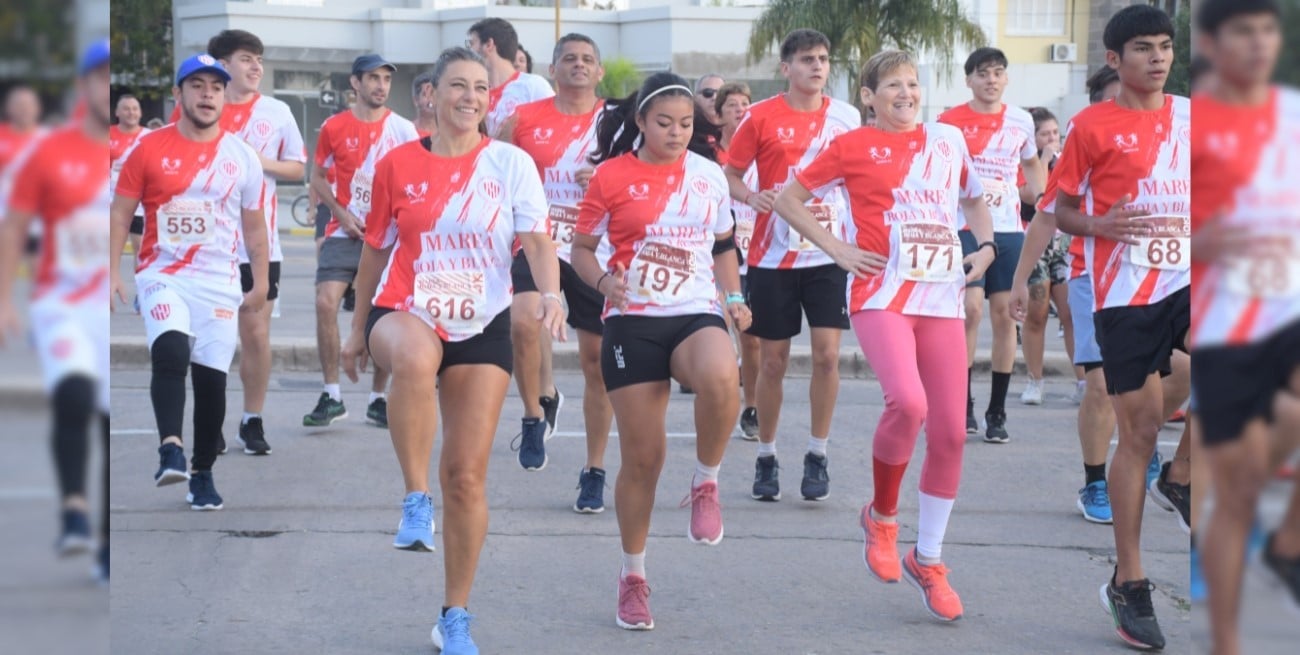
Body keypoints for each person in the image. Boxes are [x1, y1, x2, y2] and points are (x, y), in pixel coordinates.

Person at [339, 46, 563, 655]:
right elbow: (375, 251)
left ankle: (454, 616)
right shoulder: (396, 165)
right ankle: (415, 499)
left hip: (481, 321)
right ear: (431, 96)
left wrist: (552, 294)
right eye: (458, 86)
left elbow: (538, 243)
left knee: (466, 478)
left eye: (481, 88)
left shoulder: (512, 164)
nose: (470, 97)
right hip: (405, 306)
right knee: (412, 359)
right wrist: (357, 328)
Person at [776, 49, 996, 622]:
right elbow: (789, 200)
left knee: (950, 431)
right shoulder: (850, 146)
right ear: (868, 96)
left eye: (913, 83)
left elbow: (973, 197)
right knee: (909, 402)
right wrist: (839, 251)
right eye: (892, 85)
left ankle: (929, 559)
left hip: (942, 299)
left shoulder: (947, 140)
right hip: (881, 295)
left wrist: (988, 246)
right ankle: (882, 517)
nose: (906, 93)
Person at [571, 71, 748, 632]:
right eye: (665, 123)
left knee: (722, 375)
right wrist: (604, 284)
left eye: (687, 124)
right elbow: (581, 250)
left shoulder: (708, 176)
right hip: (632, 320)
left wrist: (735, 297)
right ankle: (633, 576)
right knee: (644, 460)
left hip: (695, 310)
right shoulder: (610, 177)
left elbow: (723, 246)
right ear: (641, 122)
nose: (676, 133)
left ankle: (706, 482)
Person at [1042, 5, 1189, 649]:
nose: (1156, 58)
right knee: (1141, 432)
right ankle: (1129, 583)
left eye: (1164, 47)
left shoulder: (1195, 116)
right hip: (1126, 296)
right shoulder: (1090, 126)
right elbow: (1063, 211)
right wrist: (1099, 226)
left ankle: (1181, 478)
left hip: (1191, 278)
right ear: (1113, 59)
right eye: (1142, 49)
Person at [108, 53, 269, 511]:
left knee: (212, 384)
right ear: (178, 94)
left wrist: (258, 284)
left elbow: (254, 227)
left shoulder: (241, 157)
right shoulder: (148, 148)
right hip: (164, 274)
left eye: (215, 87)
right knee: (172, 350)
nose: (207, 95)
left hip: (219, 282)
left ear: (224, 96)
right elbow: (121, 213)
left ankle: (202, 473)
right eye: (196, 86)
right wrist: (110, 271)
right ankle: (170, 447)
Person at [1190, 1, 1300, 652]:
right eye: (1243, 32)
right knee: (1236, 494)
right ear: (1212, 41)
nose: (1259, 43)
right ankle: (1226, 641)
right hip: (1224, 323)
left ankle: (1287, 540)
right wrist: (1208, 239)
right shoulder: (1197, 125)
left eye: (1267, 29)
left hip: (1289, 305)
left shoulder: (1293, 113)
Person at [724, 29, 858, 502]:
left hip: (828, 253)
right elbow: (731, 173)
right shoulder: (760, 116)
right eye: (806, 60)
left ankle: (817, 454)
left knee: (826, 356)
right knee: (773, 361)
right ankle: (766, 454)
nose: (817, 67)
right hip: (772, 257)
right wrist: (750, 195)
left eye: (822, 58)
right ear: (786, 68)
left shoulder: (846, 117)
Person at [0, 39, 113, 582]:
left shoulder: (128, 150)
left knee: (109, 420)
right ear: (83, 86)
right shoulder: (47, 153)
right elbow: (15, 227)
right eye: (100, 76)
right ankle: (74, 509)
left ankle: (107, 541)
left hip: (105, 308)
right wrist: (3, 300)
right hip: (59, 303)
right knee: (73, 393)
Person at [497, 33, 615, 512]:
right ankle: (532, 415)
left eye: (588, 59)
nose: (579, 66)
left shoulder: (615, 121)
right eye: (569, 58)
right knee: (524, 320)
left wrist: (609, 171)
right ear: (552, 69)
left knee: (596, 363)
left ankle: (594, 469)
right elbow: (492, 168)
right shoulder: (524, 119)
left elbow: (641, 166)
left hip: (592, 246)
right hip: (536, 240)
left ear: (600, 71)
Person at [205, 29, 307, 456]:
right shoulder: (202, 107)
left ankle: (252, 420)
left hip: (259, 246)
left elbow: (297, 169)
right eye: (246, 59)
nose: (255, 67)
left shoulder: (277, 111)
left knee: (256, 336)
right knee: (212, 338)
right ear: (222, 65)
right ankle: (209, 423)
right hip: (209, 246)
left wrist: (255, 160)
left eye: (259, 60)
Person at [938, 47, 1045, 443]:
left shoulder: (1020, 120)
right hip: (964, 226)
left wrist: (1044, 197)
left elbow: (1032, 163)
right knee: (970, 310)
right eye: (983, 73)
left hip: (1008, 228)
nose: (991, 80)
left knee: (1005, 315)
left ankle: (996, 411)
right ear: (969, 80)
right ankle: (962, 403)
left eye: (998, 72)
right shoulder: (948, 122)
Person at [306, 53, 418, 429]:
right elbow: (317, 177)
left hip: (387, 238)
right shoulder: (333, 127)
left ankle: (377, 398)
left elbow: (420, 179)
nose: (381, 86)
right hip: (344, 231)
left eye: (386, 79)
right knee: (325, 303)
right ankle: (331, 394)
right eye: (373, 78)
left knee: (381, 313)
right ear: (355, 83)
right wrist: (340, 214)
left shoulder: (403, 130)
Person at [1017, 106, 1075, 406]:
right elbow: (1032, 196)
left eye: (1056, 133)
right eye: (1045, 134)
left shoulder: (1069, 160)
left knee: (1071, 313)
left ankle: (1083, 379)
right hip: (1034, 240)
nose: (1052, 139)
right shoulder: (1028, 162)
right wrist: (1044, 159)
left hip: (1064, 244)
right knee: (1036, 313)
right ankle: (1035, 380)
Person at [713, 81, 760, 439]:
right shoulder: (708, 156)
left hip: (755, 253)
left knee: (752, 336)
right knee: (720, 334)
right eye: (732, 104)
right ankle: (721, 400)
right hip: (718, 255)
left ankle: (752, 405)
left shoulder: (761, 152)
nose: (741, 109)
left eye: (746, 103)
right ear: (719, 113)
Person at [466, 18, 555, 138]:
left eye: (471, 44)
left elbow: (555, 129)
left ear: (488, 45)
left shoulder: (534, 86)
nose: (468, 51)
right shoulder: (473, 92)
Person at [110, 94, 150, 262]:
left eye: (135, 109)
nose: (131, 113)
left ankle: (140, 286)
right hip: (110, 201)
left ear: (140, 113)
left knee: (140, 249)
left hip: (139, 204)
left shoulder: (150, 137)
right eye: (126, 109)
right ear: (117, 112)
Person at [412, 70, 438, 138]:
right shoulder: (407, 131)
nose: (430, 99)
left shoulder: (448, 133)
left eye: (433, 94)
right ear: (416, 100)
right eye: (425, 95)